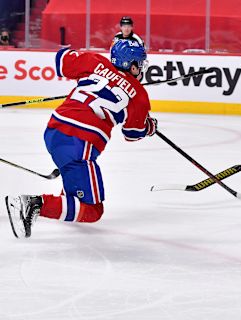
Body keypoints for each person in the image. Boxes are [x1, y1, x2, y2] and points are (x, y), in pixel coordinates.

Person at [5, 39, 158, 238]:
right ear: (132, 65)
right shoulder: (138, 94)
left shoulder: (95, 62)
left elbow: (62, 58)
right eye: (140, 63)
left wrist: (88, 73)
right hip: (78, 142)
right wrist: (150, 126)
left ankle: (66, 198)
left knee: (74, 185)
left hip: (54, 130)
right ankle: (31, 204)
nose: (142, 68)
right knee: (92, 210)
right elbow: (133, 133)